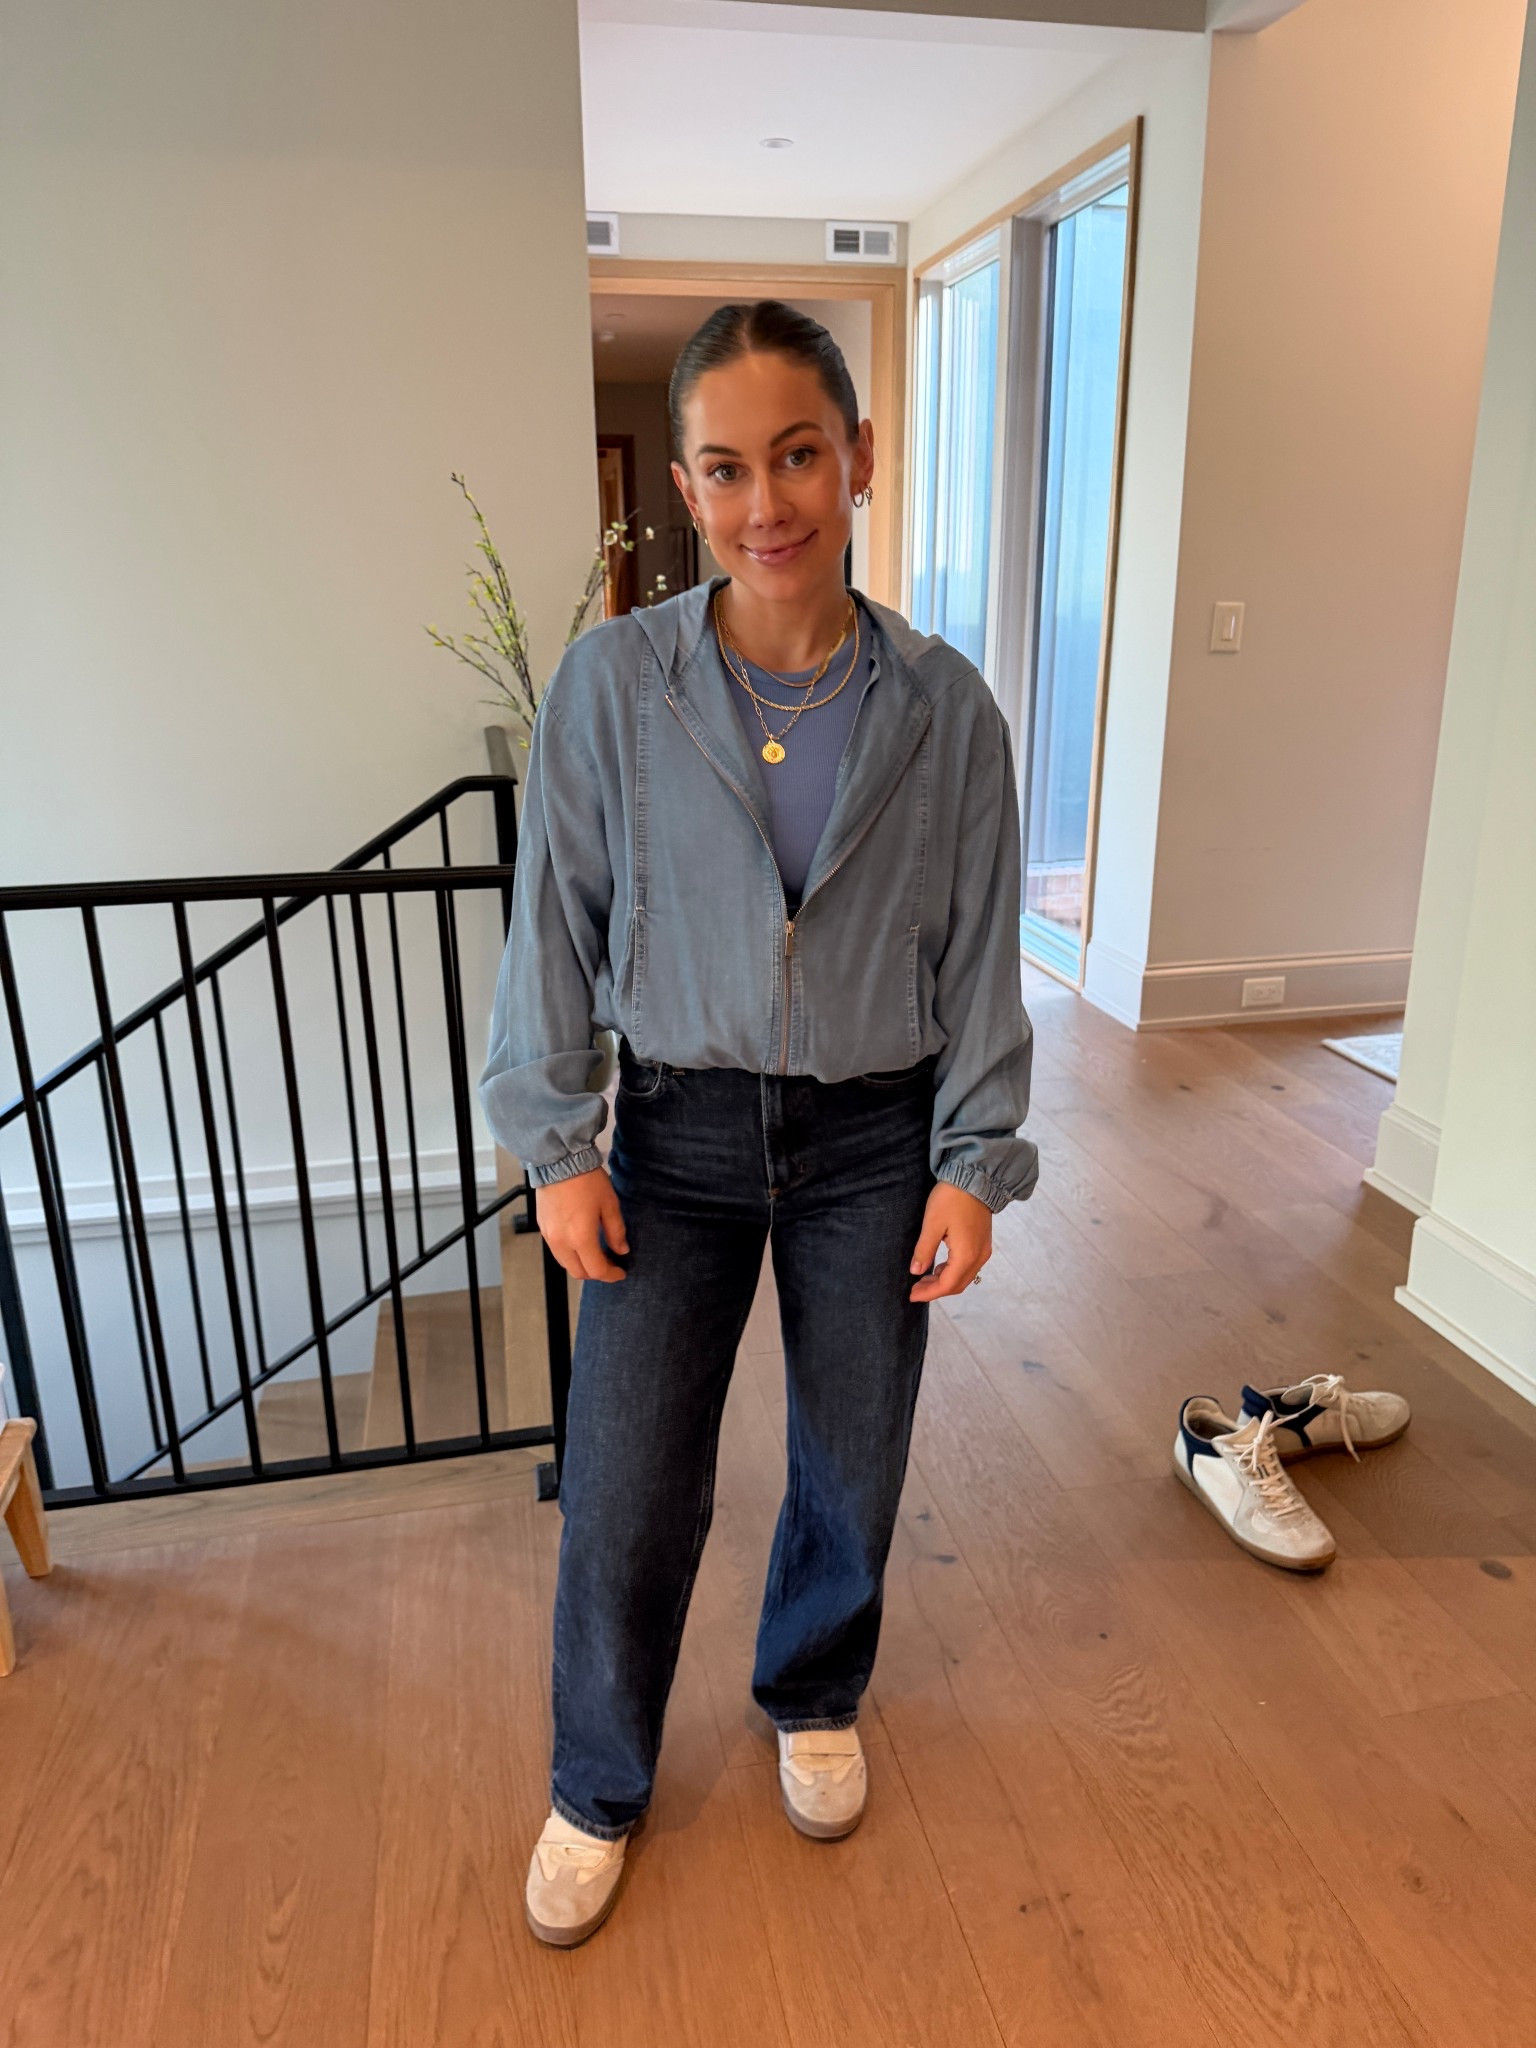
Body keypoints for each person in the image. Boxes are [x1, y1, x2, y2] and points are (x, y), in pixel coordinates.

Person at [480, 300, 1037, 1948]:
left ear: (858, 457)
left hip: (877, 1139)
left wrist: (973, 1162)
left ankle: (813, 1689)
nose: (766, 501)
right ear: (684, 488)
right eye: (726, 469)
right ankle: (598, 1780)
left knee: (853, 1454)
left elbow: (982, 951)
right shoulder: (614, 686)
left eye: (798, 455)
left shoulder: (946, 710)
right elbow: (552, 926)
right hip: (675, 1139)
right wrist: (558, 1149)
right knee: (629, 1481)